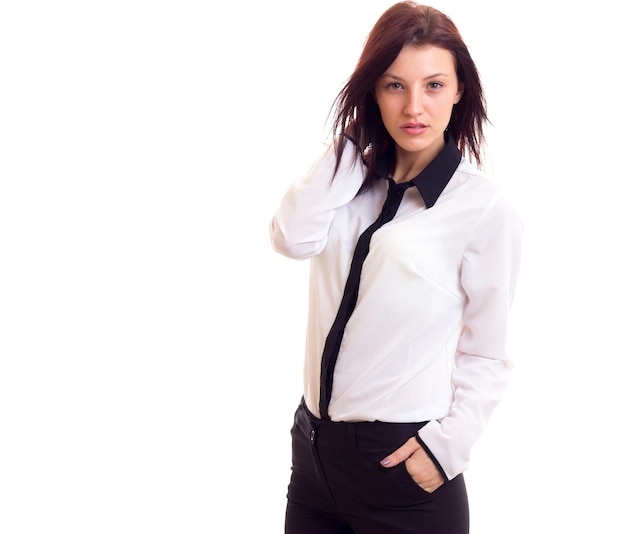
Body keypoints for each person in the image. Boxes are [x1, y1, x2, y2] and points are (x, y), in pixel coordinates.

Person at [269, 2, 523, 533]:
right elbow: (292, 238)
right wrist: (348, 148)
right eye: (393, 85)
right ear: (372, 92)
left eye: (433, 85)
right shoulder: (348, 180)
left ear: (459, 91)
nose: (415, 107)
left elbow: (487, 350)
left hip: (402, 469)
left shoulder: (481, 208)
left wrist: (445, 450)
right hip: (314, 457)